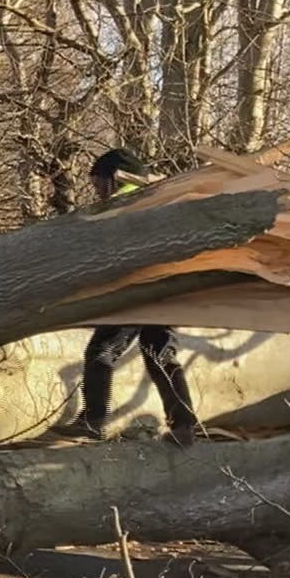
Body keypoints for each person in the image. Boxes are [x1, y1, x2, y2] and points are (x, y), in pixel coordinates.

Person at [62, 148, 205, 447]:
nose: (97, 191)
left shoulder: (121, 202)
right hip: (166, 288)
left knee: (101, 351)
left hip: (136, 289)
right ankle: (184, 426)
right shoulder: (158, 198)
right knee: (160, 354)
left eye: (98, 184)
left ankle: (93, 422)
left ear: (114, 178)